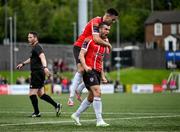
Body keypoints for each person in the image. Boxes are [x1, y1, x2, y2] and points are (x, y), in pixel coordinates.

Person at [68, 8, 119, 106]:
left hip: (90, 48)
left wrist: (106, 44)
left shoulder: (104, 27)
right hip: (79, 46)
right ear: (107, 16)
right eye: (113, 20)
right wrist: (108, 45)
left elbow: (102, 40)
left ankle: (78, 89)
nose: (113, 22)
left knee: (93, 71)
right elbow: (96, 38)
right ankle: (71, 98)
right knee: (82, 70)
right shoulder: (96, 22)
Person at [71, 22, 110, 126]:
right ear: (100, 29)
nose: (107, 32)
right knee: (98, 92)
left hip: (97, 71)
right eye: (106, 29)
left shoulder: (104, 43)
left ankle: (76, 115)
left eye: (109, 30)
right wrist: (85, 66)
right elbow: (81, 55)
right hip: (89, 70)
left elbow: (101, 60)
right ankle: (99, 120)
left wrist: (102, 75)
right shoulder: (88, 39)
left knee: (91, 97)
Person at [16, 31, 62, 117]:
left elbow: (43, 57)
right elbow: (32, 58)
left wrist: (45, 67)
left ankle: (37, 113)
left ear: (35, 38)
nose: (28, 39)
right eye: (28, 37)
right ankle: (57, 105)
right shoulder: (34, 48)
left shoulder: (37, 47)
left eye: (30, 37)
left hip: (37, 72)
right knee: (41, 94)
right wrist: (23, 64)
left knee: (32, 93)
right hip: (38, 72)